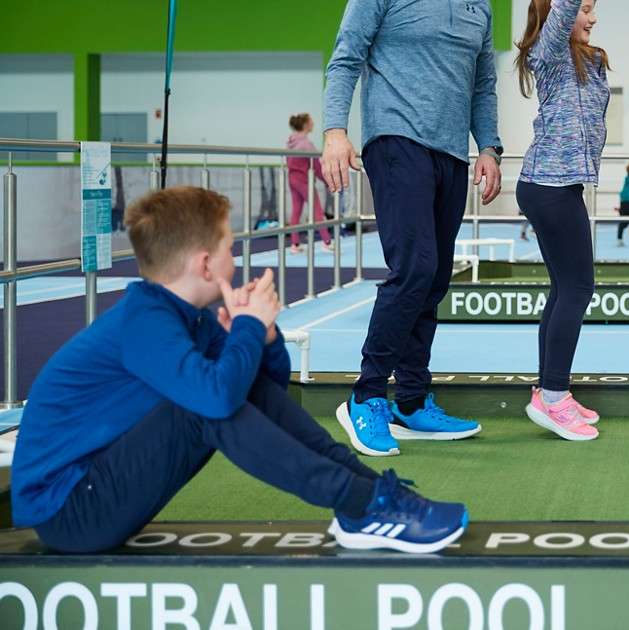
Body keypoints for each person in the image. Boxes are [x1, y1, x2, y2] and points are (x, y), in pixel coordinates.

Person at [11, 187, 467, 554]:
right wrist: (247, 327)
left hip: (101, 485)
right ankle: (362, 502)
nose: (237, 259)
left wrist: (262, 338)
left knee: (226, 392)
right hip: (69, 513)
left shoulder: (187, 316)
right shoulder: (144, 321)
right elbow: (216, 403)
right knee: (203, 407)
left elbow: (264, 391)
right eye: (231, 248)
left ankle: (370, 497)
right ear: (205, 264)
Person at [321, 0, 502, 456]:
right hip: (395, 141)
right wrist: (333, 132)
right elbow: (345, 58)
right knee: (414, 266)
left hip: (451, 153)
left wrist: (490, 147)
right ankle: (366, 396)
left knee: (436, 276)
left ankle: (412, 401)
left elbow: (484, 85)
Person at [514, 0, 628, 441]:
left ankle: (549, 389)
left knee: (564, 289)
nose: (592, 17)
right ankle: (553, 396)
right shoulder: (552, 51)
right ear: (559, 15)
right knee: (579, 287)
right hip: (548, 185)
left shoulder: (580, 53)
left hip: (560, 186)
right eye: (584, 11)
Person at [286, 113, 333, 254]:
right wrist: (327, 181)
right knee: (317, 210)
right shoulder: (306, 144)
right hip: (303, 181)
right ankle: (327, 242)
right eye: (311, 121)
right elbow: (317, 167)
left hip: (292, 179)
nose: (313, 123)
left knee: (296, 211)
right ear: (306, 124)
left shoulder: (290, 142)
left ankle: (294, 244)